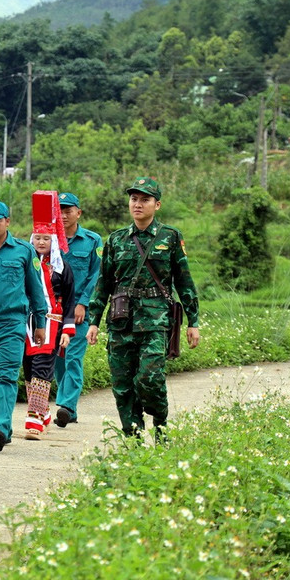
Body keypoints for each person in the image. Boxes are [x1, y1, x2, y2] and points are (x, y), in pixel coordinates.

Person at [86, 177, 201, 438]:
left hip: (155, 321)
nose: (137, 204)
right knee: (123, 386)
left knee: (150, 379)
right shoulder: (115, 240)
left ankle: (160, 422)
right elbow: (103, 283)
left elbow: (184, 281)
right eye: (134, 199)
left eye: (145, 200)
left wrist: (193, 322)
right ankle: (133, 442)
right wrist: (93, 320)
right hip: (120, 321)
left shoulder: (170, 237)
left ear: (157, 205)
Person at [0, 200, 47, 452]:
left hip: (12, 323)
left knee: (5, 375)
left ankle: (0, 426)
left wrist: (40, 323)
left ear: (7, 222)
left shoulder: (23, 251)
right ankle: (2, 427)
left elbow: (36, 289)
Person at [23, 191, 75, 439]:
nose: (41, 242)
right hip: (26, 324)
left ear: (53, 241)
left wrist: (67, 329)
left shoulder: (62, 267)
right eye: (38, 238)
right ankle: (42, 412)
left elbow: (70, 299)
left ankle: (33, 421)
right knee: (28, 368)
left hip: (52, 324)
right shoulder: (25, 263)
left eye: (46, 238)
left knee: (43, 367)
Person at [52, 192, 103, 428]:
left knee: (73, 356)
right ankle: (69, 409)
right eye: (59, 210)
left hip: (79, 310)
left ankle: (66, 405)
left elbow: (97, 275)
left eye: (68, 210)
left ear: (78, 213)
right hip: (53, 309)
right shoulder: (49, 239)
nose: (63, 215)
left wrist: (83, 303)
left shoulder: (92, 241)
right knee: (58, 359)